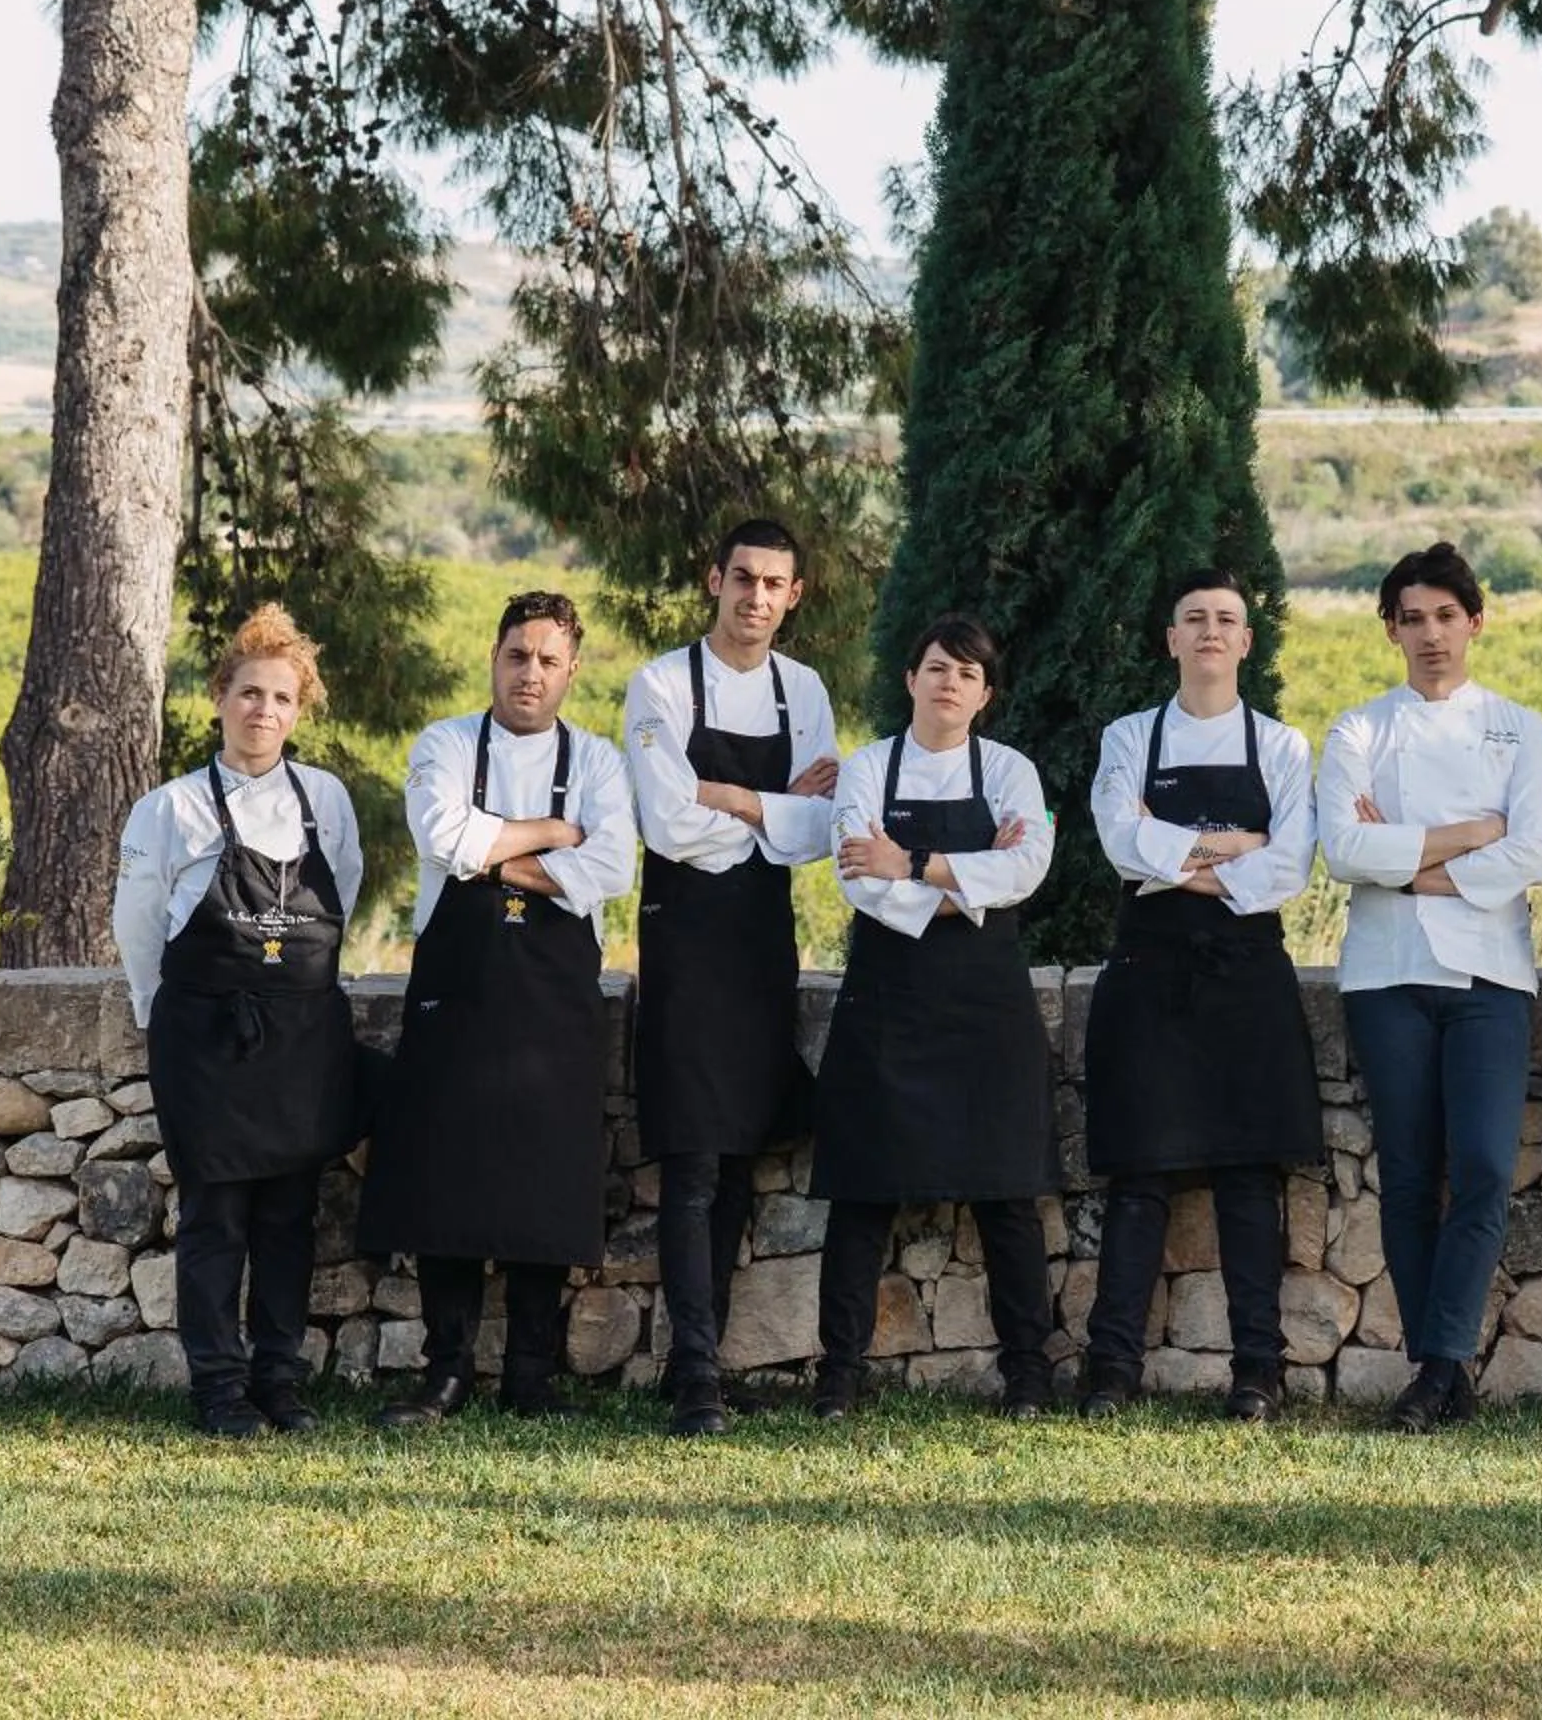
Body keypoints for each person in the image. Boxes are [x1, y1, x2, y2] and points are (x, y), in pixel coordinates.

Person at [362, 592, 637, 1427]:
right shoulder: (445, 743)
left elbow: (611, 869)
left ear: (571, 670)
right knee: (446, 1176)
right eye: (518, 655)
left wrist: (493, 854)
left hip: (553, 1006)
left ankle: (530, 1375)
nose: (531, 673)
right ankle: (445, 1373)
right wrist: (555, 831)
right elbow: (443, 836)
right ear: (494, 656)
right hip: (458, 997)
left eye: (549, 660)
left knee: (544, 1182)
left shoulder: (599, 761)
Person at [1317, 542, 1542, 1432]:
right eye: (1412, 618)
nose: (1430, 634)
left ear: (1476, 623)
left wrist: (1411, 856)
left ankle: (1438, 1367)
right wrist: (1468, 832)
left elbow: (1532, 849)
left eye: (1446, 616)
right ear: (1390, 630)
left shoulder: (1520, 727)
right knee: (1413, 1175)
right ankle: (1439, 1371)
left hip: (1491, 973)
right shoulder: (1358, 730)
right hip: (1387, 972)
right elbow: (1343, 850)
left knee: (1489, 1166)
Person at [112, 606, 362, 1438]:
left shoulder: (324, 798)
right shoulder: (169, 809)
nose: (265, 711)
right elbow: (138, 928)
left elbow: (343, 896)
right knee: (216, 1219)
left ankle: (279, 1380)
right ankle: (218, 1387)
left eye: (283, 698)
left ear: (300, 710)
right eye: (249, 693)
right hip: (206, 1042)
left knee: (291, 1215)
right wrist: (165, 1022)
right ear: (220, 698)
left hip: (302, 1041)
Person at [1079, 570, 1322, 1422]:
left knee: (1250, 1176)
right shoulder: (1126, 738)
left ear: (1246, 643)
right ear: (1171, 639)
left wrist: (1175, 857)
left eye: (1227, 619)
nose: (1211, 631)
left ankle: (1259, 1369)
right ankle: (1111, 1368)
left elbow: (1289, 866)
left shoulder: (1285, 749)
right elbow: (1120, 843)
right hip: (1148, 976)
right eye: (1194, 619)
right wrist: (1236, 847)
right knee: (1139, 1174)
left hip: (1249, 977)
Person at [622, 518, 839, 1437]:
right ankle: (694, 1377)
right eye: (742, 579)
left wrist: (729, 797)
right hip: (684, 941)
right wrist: (772, 810)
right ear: (714, 581)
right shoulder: (660, 685)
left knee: (743, 1150)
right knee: (695, 1158)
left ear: (794, 596)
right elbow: (666, 824)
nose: (756, 597)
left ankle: (703, 1362)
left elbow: (823, 829)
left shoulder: (806, 689)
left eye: (774, 584)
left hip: (761, 939)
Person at [812, 614, 1059, 1419]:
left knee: (1008, 1193)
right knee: (862, 1191)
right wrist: (970, 875)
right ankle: (838, 1376)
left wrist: (912, 862)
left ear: (984, 695)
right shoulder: (867, 769)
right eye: (936, 668)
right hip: (887, 1002)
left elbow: (1026, 870)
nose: (949, 682)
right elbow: (861, 883)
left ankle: (1030, 1373)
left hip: (987, 1008)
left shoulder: (1013, 770)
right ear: (911, 680)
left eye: (967, 673)